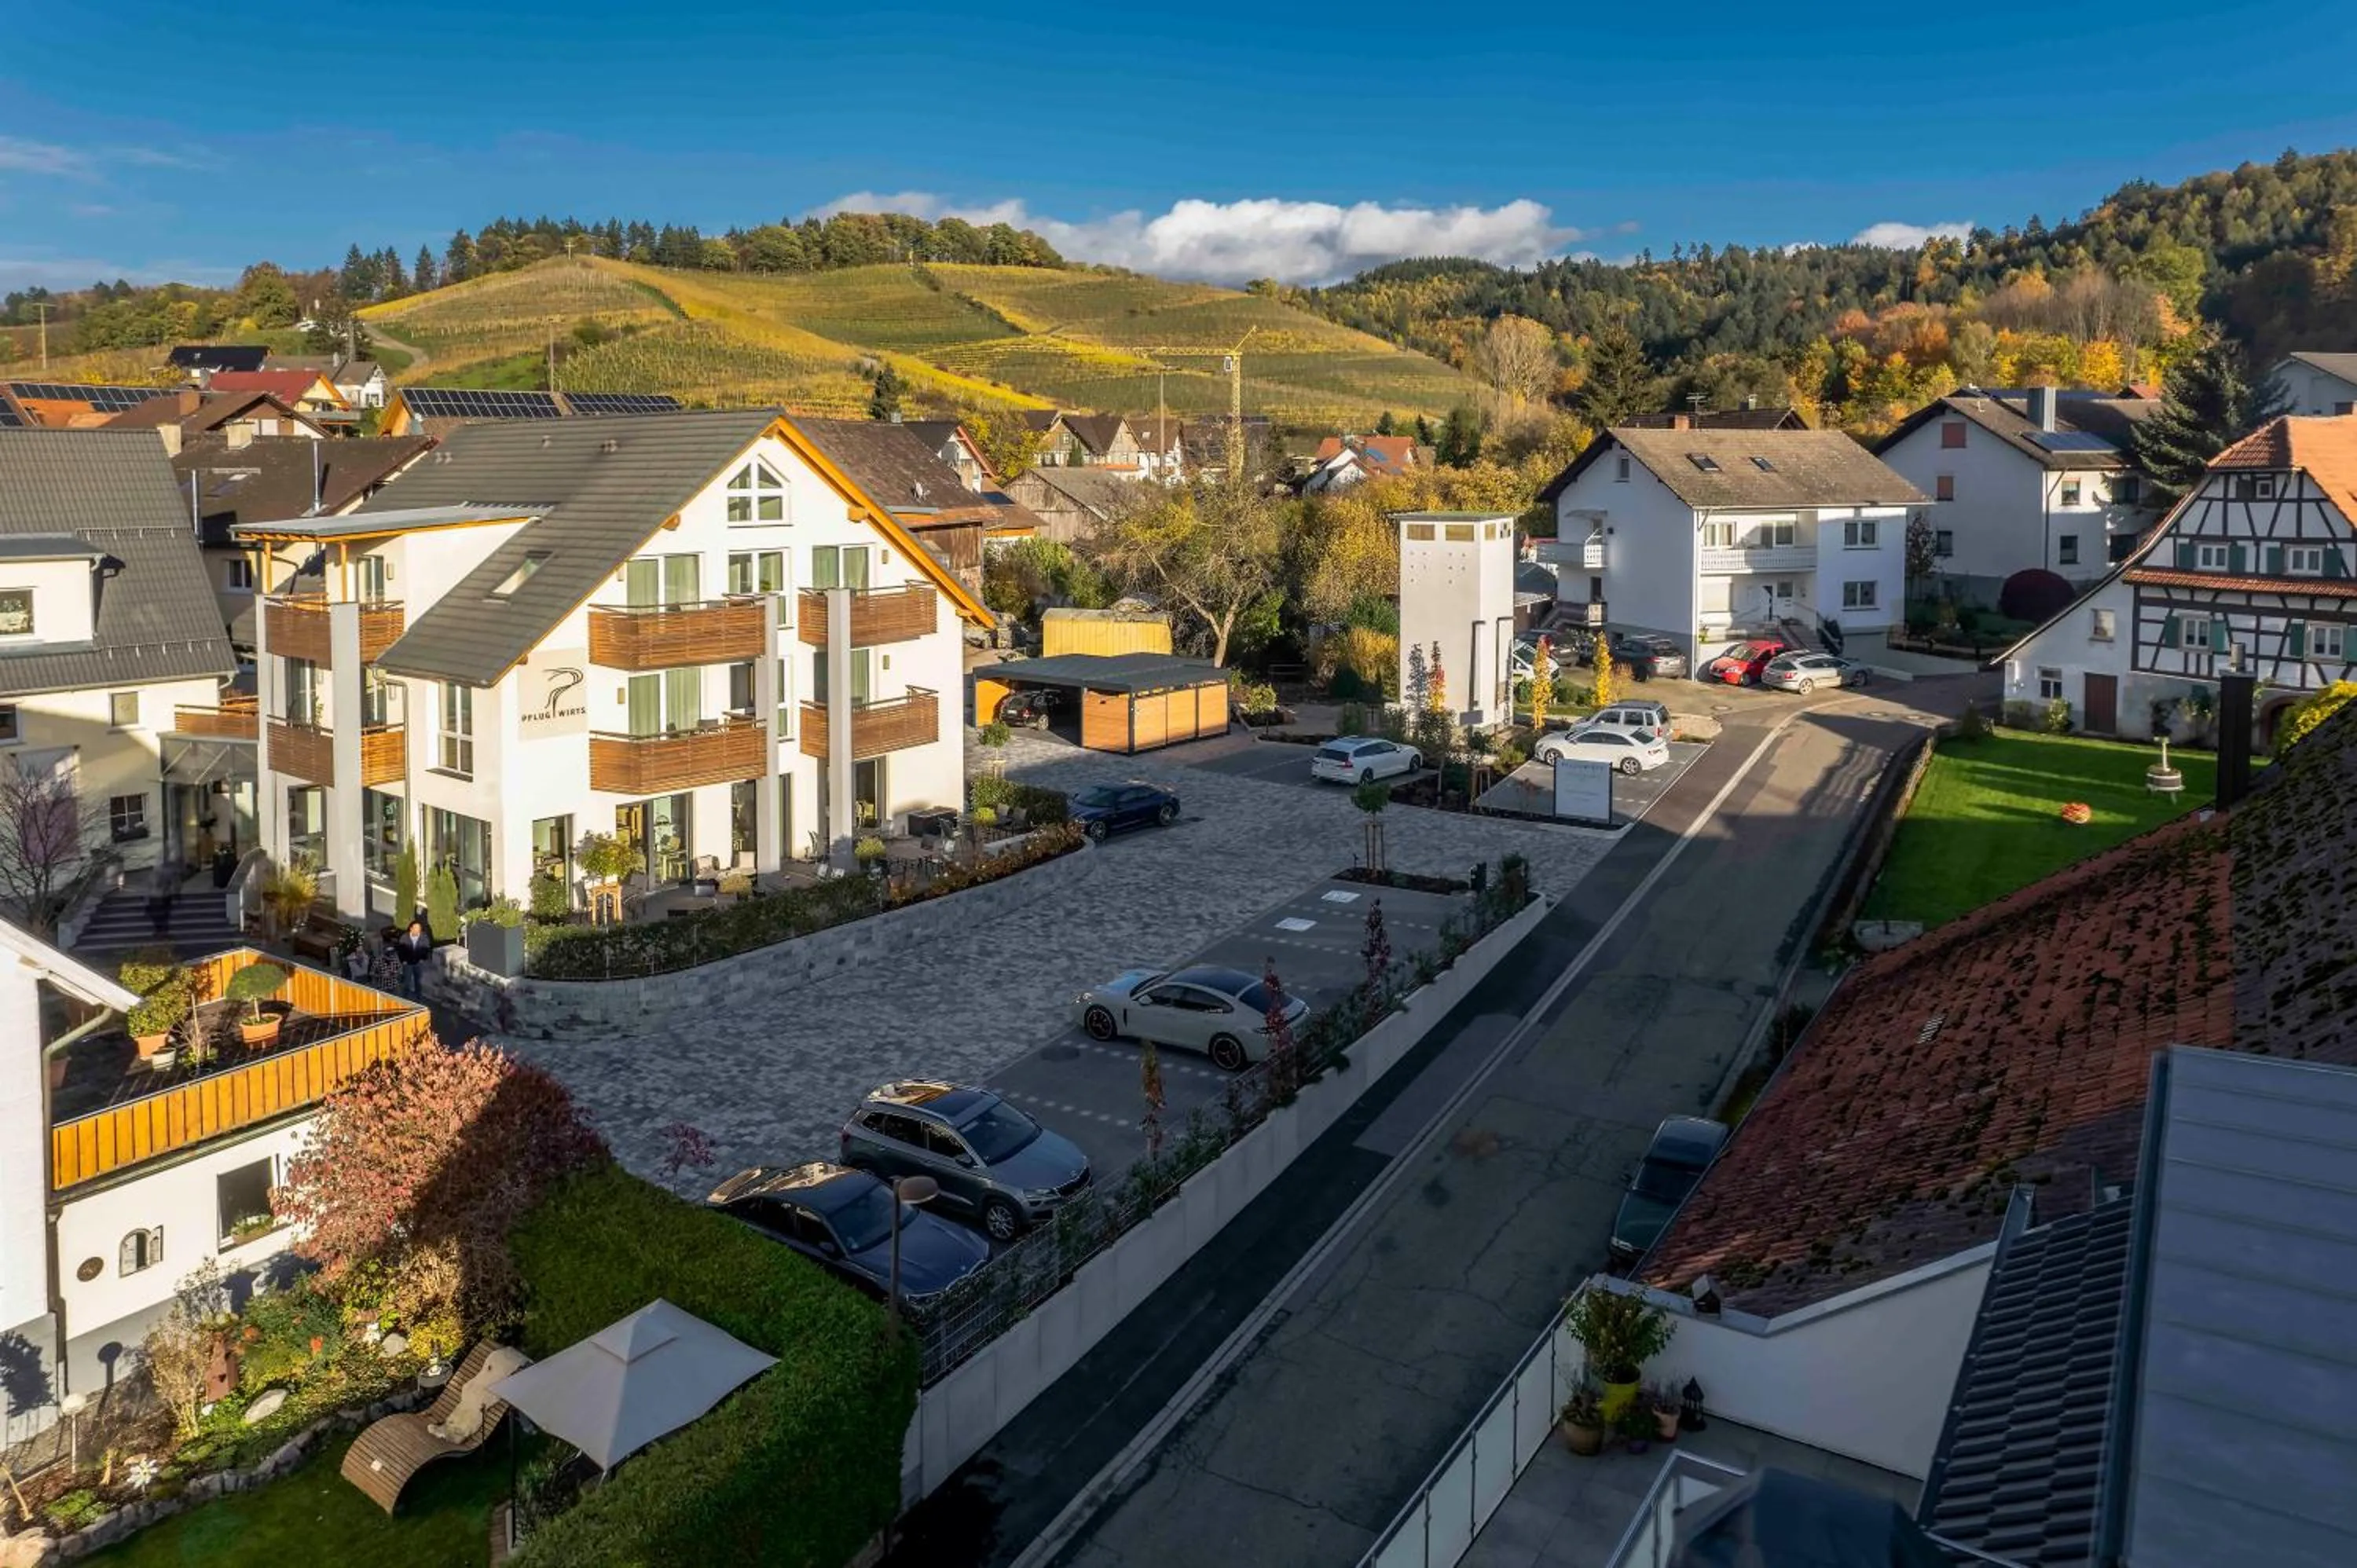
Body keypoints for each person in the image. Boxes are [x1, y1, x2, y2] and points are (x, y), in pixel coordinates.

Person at [394, 915, 434, 999]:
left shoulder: (423, 937)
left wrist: (423, 959)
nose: (418, 930)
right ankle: (405, 998)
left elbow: (427, 948)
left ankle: (418, 998)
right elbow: (400, 950)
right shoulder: (404, 937)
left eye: (419, 928)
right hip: (408, 963)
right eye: (416, 928)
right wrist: (403, 960)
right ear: (411, 928)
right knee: (407, 982)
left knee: (418, 981)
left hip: (418, 963)